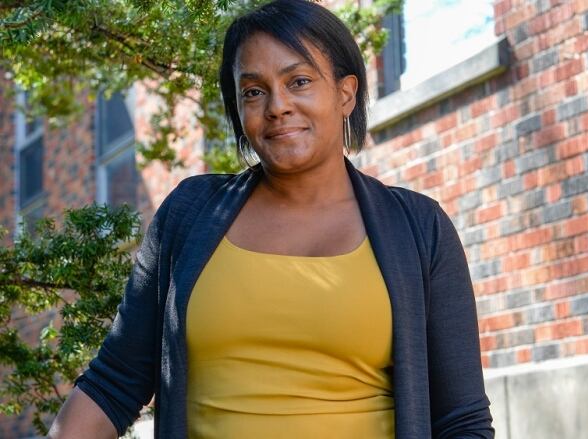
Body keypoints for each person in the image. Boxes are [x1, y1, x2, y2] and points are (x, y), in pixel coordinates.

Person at [47, 0, 493, 437]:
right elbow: (115, 382)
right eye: (254, 91)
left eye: (298, 81)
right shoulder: (190, 214)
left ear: (345, 93)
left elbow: (462, 421)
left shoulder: (419, 228)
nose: (277, 106)